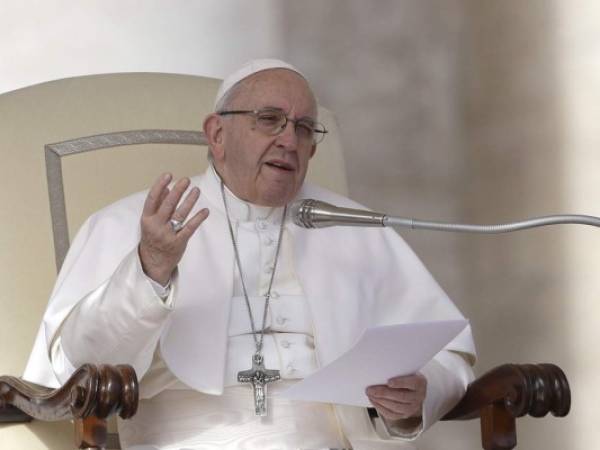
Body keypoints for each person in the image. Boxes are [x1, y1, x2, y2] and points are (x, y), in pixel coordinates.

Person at [24, 59, 476, 450]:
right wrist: (150, 269)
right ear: (217, 133)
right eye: (269, 119)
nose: (288, 140)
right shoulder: (129, 224)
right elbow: (75, 369)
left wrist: (413, 400)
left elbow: (450, 356)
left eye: (303, 128)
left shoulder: (354, 227)